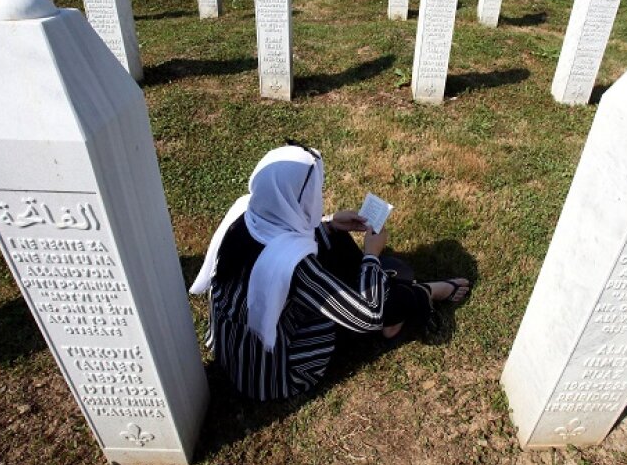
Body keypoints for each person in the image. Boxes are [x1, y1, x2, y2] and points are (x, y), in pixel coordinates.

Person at [190, 143, 471, 401]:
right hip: (274, 375)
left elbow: (291, 235)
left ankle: (389, 292)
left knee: (330, 242)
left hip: (231, 348)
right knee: (368, 305)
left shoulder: (246, 212)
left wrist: (330, 224)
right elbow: (367, 315)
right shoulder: (293, 265)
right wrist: (372, 253)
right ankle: (425, 293)